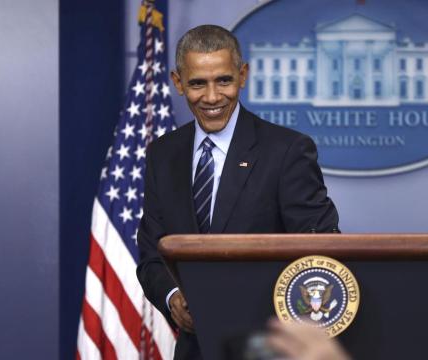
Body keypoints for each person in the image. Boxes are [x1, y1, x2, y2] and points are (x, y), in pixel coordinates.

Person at [136, 25, 339, 360]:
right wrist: (173, 297)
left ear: (242, 75)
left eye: (224, 81)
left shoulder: (287, 150)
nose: (213, 97)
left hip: (271, 348)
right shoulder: (163, 154)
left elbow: (320, 253)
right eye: (198, 83)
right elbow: (152, 251)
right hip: (193, 349)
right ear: (177, 82)